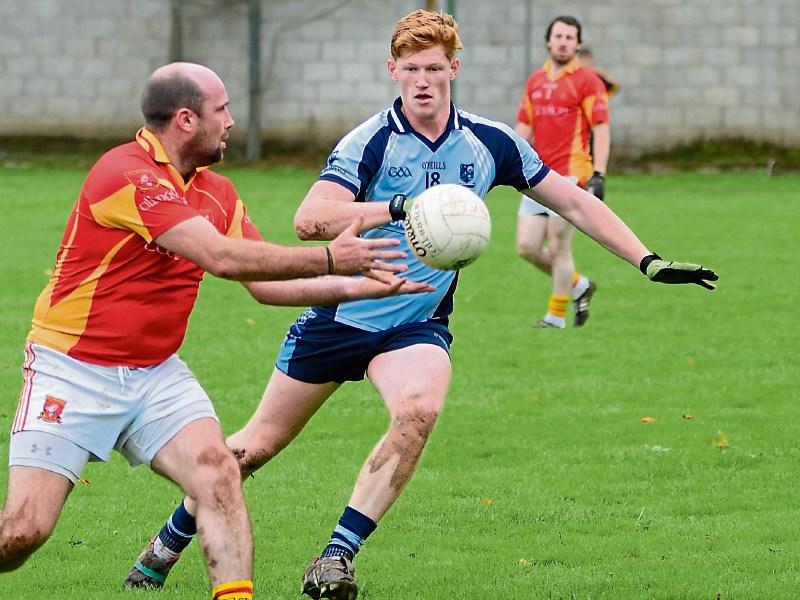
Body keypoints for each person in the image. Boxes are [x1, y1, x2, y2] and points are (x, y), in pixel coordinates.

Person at [125, 11, 717, 600]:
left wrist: (649, 261)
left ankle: (335, 558)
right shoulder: (370, 142)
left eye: (435, 68)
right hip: (341, 314)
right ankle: (166, 544)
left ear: (454, 68)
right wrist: (404, 207)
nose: (423, 81)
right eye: (411, 69)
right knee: (254, 448)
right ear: (393, 71)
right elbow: (310, 221)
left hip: (416, 322)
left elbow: (575, 203)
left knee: (418, 411)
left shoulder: (490, 142)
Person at [0, 61, 432, 600]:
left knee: (220, 476)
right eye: (221, 109)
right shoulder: (125, 174)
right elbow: (221, 258)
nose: (231, 121)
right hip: (73, 369)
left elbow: (264, 285)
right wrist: (330, 256)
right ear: (186, 119)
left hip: (156, 373)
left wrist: (367, 286)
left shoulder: (218, 192)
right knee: (22, 533)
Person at [515, 15, 610, 328]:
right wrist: (509, 160)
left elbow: (601, 128)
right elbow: (524, 126)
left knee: (558, 246)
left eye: (570, 37)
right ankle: (579, 284)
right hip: (536, 175)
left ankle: (555, 316)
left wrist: (599, 173)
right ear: (548, 41)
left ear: (578, 44)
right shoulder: (535, 81)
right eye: (559, 36)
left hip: (572, 174)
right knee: (527, 247)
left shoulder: (587, 81)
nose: (564, 42)